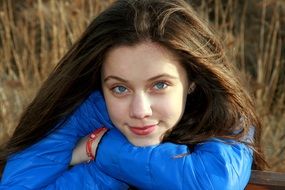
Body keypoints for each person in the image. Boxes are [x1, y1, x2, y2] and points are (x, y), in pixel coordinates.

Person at [0, 0, 266, 189]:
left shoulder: (224, 113)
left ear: (193, 80)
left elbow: (212, 182)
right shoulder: (85, 109)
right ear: (100, 84)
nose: (140, 110)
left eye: (159, 85)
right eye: (120, 88)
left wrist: (100, 149)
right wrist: (104, 174)